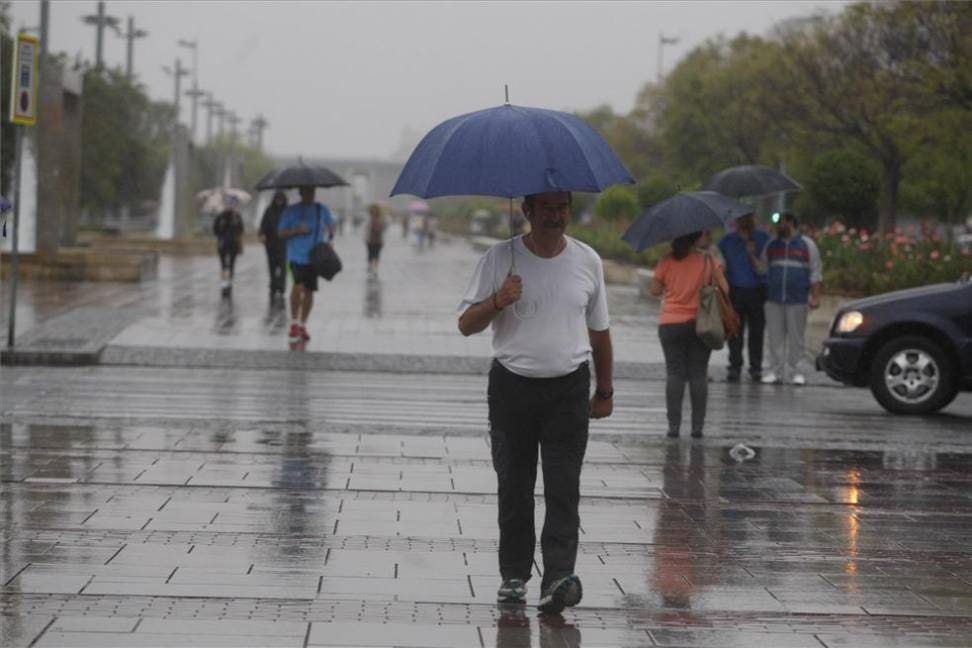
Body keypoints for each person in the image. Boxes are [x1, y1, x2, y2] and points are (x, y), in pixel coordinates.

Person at [458, 191, 614, 615]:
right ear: (527, 211)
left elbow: (600, 331)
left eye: (562, 208)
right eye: (546, 208)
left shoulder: (587, 260)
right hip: (512, 388)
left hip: (569, 389)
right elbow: (466, 325)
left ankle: (559, 576)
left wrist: (605, 390)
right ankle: (514, 575)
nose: (555, 216)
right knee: (515, 485)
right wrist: (498, 300)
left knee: (564, 486)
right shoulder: (499, 259)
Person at [649, 230, 729, 439]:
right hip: (700, 324)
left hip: (670, 323)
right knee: (698, 373)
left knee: (674, 373)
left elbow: (655, 290)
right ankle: (697, 428)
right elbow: (725, 289)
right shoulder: (708, 261)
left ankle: (673, 427)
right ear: (697, 238)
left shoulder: (666, 261)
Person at [758, 211, 822, 385]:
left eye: (782, 222)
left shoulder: (807, 245)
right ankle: (775, 371)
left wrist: (815, 297)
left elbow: (815, 272)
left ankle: (797, 372)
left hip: (797, 299)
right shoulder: (772, 244)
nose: (779, 226)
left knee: (796, 339)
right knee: (774, 338)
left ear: (791, 223)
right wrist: (750, 255)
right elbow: (763, 267)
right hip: (774, 299)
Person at [277, 185, 336, 344]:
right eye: (307, 191)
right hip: (295, 257)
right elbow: (280, 233)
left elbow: (331, 226)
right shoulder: (290, 211)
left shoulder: (321, 209)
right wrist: (296, 230)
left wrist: (330, 238)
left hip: (314, 257)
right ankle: (294, 323)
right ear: (301, 193)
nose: (311, 194)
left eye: (312, 191)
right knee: (298, 287)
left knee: (309, 291)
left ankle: (303, 324)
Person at [717, 213, 770, 382]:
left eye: (747, 218)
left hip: (757, 291)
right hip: (735, 291)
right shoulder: (727, 241)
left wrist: (752, 254)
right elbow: (720, 265)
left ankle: (756, 367)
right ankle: (735, 365)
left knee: (756, 332)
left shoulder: (763, 239)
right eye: (741, 219)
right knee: (734, 331)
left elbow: (766, 268)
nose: (744, 222)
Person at [259, 191, 289, 303]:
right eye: (277, 198)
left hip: (284, 244)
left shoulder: (287, 211)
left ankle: (281, 288)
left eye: (281, 198)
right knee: (272, 267)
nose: (279, 201)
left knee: (282, 267)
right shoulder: (269, 210)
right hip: (271, 244)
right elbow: (263, 225)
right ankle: (273, 287)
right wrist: (262, 234)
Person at [212, 199, 244, 297]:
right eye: (228, 204)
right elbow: (215, 231)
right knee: (223, 265)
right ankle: (224, 284)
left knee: (231, 265)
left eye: (232, 205)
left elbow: (241, 230)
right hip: (223, 244)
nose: (230, 206)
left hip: (233, 244)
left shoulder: (237, 217)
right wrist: (221, 227)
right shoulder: (220, 217)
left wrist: (236, 226)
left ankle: (229, 283)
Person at [364, 203, 387, 274]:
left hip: (378, 240)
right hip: (370, 240)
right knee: (370, 254)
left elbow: (384, 228)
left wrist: (380, 226)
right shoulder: (368, 219)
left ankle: (375, 268)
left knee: (377, 254)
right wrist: (365, 238)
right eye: (373, 210)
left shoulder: (381, 219)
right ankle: (370, 265)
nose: (374, 212)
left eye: (375, 210)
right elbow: (365, 229)